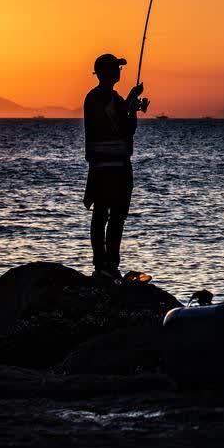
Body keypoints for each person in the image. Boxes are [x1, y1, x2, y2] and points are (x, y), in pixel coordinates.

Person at [83, 53, 147, 281]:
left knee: (101, 216)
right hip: (115, 167)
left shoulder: (93, 98)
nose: (119, 71)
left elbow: (120, 118)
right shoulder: (109, 99)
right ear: (106, 73)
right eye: (116, 68)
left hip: (100, 167)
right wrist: (133, 108)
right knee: (114, 217)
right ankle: (108, 265)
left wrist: (131, 100)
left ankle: (103, 265)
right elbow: (127, 127)